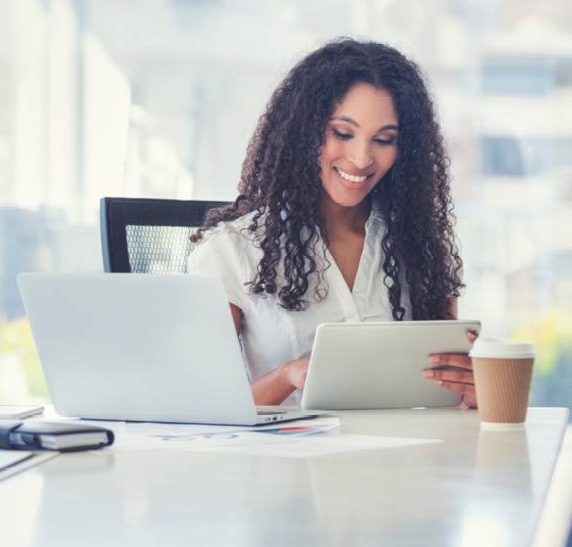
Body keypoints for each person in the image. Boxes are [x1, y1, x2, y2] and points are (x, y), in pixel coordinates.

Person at [188, 38, 477, 407]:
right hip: (287, 461)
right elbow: (203, 408)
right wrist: (287, 376)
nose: (361, 158)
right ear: (303, 131)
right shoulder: (232, 249)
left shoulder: (420, 245)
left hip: (402, 459)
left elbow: (445, 391)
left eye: (384, 139)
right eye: (342, 133)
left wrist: (472, 390)